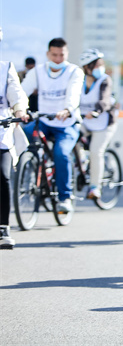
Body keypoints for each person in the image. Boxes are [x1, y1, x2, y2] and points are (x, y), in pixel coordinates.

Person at [21, 37, 84, 213]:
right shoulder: (38, 71)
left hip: (66, 122)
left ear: (67, 53)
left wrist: (67, 109)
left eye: (61, 55)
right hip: (44, 120)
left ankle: (65, 197)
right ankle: (32, 167)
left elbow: (74, 94)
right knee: (23, 133)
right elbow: (23, 91)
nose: (58, 59)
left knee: (61, 153)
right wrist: (18, 108)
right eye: (54, 55)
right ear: (48, 53)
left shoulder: (74, 71)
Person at [1, 27, 29, 249]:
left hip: (2, 132)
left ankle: (3, 228)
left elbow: (17, 94)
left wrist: (20, 111)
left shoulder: (5, 68)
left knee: (3, 176)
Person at [77, 49, 117, 200]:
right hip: (84, 121)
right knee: (70, 135)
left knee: (96, 152)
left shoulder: (105, 80)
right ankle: (81, 160)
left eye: (101, 64)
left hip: (104, 123)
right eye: (96, 65)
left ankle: (95, 187)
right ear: (86, 67)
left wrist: (96, 111)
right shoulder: (78, 81)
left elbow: (104, 99)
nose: (100, 67)